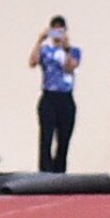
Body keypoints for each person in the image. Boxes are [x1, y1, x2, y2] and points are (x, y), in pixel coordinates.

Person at [26, 16, 83, 173]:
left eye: (61, 29)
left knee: (64, 138)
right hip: (49, 96)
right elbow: (32, 62)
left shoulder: (74, 51)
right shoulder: (45, 50)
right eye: (55, 29)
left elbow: (71, 67)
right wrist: (40, 40)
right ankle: (45, 171)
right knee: (46, 137)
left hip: (65, 97)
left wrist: (66, 48)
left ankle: (60, 171)